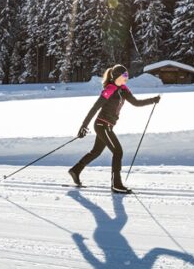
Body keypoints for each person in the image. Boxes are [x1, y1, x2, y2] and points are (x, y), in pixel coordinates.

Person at [68, 64, 160, 194]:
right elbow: (95, 108)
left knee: (96, 152)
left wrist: (153, 100)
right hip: (102, 125)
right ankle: (116, 184)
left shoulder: (123, 90)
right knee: (118, 152)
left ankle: (75, 170)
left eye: (127, 75)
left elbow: (136, 103)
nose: (127, 77)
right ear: (117, 76)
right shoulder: (109, 89)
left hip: (108, 126)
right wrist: (84, 126)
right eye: (125, 75)